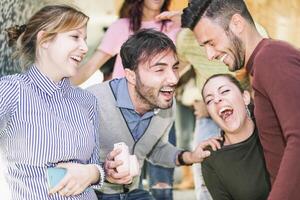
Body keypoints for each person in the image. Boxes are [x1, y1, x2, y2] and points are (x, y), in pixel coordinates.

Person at [181, 0, 300, 199]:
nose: (209, 55)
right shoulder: (260, 66)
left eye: (211, 43)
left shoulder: (271, 58)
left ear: (237, 23)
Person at [87, 29, 211, 200]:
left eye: (175, 68)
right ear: (131, 75)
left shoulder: (165, 103)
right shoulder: (91, 102)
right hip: (92, 193)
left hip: (132, 193)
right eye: (159, 70)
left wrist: (189, 156)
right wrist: (103, 170)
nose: (174, 79)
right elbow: (62, 165)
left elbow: (155, 148)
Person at [1, 5, 104, 200]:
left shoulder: (87, 101)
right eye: (75, 37)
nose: (84, 47)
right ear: (44, 39)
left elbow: (95, 163)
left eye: (85, 39)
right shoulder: (10, 91)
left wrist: (92, 173)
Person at [71, 0, 180, 84]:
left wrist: (186, 23)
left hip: (160, 104)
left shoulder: (175, 27)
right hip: (121, 103)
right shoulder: (121, 26)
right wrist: (59, 89)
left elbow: (185, 64)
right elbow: (91, 66)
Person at [200, 73, 270, 200]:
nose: (217, 100)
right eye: (209, 100)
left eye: (224, 91)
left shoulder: (271, 126)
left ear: (245, 97)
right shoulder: (212, 158)